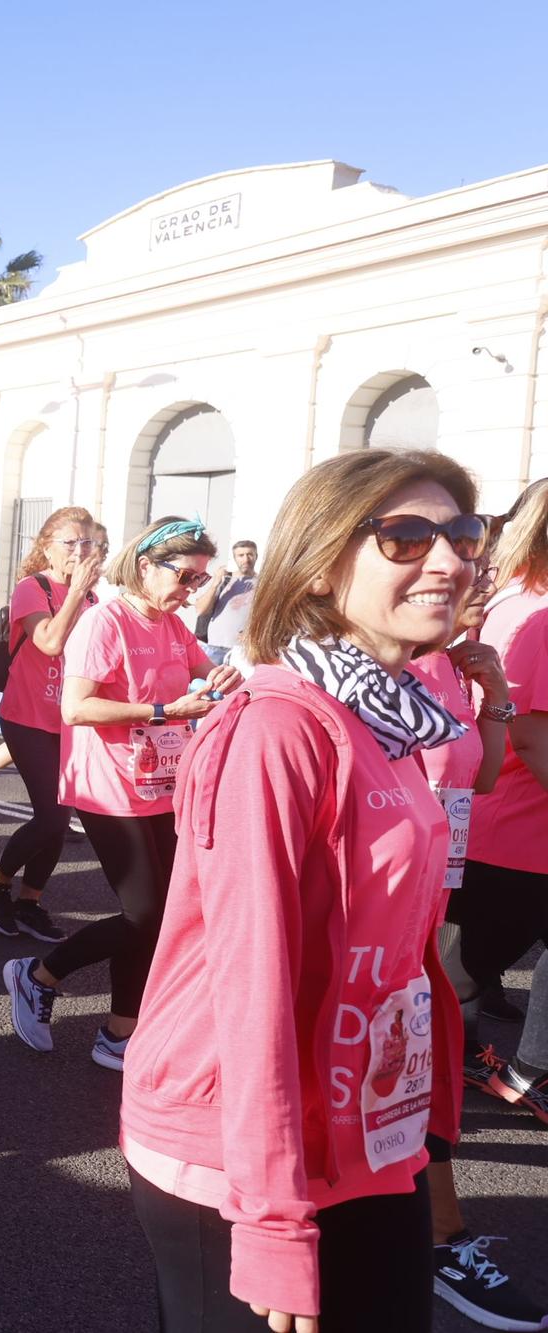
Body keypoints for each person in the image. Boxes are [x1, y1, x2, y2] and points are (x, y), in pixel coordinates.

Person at [120, 448, 483, 1332]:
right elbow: (254, 987)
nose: (448, 558)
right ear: (321, 565)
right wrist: (274, 1223)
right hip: (239, 1149)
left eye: (462, 534)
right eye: (405, 536)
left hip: (368, 1121)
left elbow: (403, 941)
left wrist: (426, 1107)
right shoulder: (279, 728)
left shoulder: (389, 715)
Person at [4, 516, 238, 1069]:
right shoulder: (105, 622)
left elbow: (206, 671)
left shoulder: (173, 626)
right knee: (146, 913)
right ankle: (38, 976)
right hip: (109, 787)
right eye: (184, 577)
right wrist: (165, 710)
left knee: (160, 914)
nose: (191, 591)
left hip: (163, 784)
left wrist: (223, 679)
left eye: (200, 581)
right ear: (144, 566)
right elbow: (76, 708)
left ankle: (118, 1032)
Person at [404, 561, 546, 1331]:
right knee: (418, 1057)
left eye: (471, 565)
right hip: (371, 912)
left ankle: (429, 1232)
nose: (464, 581)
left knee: (427, 1056)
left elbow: (482, 778)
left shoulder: (449, 665)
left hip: (431, 892)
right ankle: (439, 1236)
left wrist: (493, 696)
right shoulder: (342, 678)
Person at [453, 476, 548, 1120]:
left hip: (508, 824)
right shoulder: (538, 611)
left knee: (462, 966)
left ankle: (521, 1069)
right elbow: (534, 735)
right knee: (458, 971)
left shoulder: (518, 597)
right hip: (518, 829)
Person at [0, 507, 102, 943]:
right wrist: (76, 593)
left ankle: (30, 901)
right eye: (71, 543)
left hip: (69, 720)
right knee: (50, 816)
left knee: (59, 816)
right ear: (46, 547)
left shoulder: (91, 598)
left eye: (88, 543)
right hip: (26, 717)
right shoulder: (34, 587)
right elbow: (48, 643)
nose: (81, 551)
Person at [192, 539, 259, 664]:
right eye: (241, 555)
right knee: (210, 682)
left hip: (245, 649)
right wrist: (215, 583)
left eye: (250, 554)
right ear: (234, 558)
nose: (246, 559)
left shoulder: (263, 583)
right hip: (215, 647)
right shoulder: (225, 580)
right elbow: (201, 610)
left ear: (256, 556)